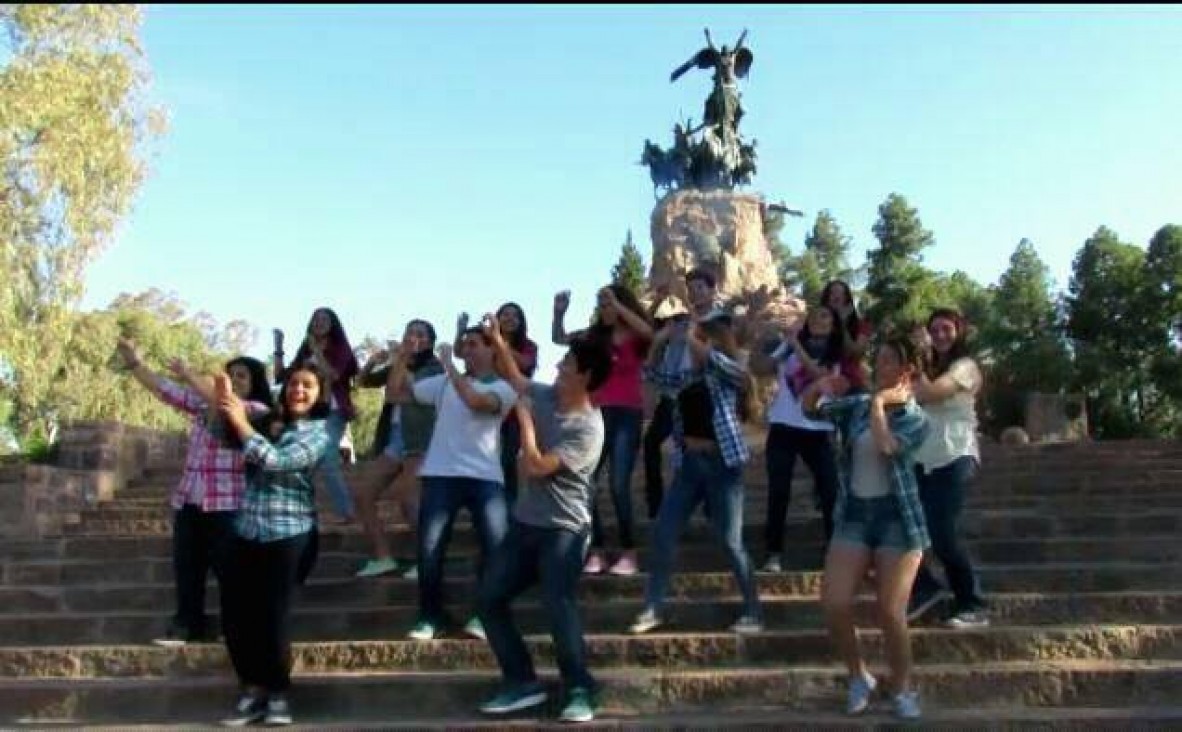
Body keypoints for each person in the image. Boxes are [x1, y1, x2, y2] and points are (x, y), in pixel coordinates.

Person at [477, 316, 610, 724]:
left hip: (564, 531)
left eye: (567, 363)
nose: (558, 368)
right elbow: (517, 378)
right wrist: (499, 341)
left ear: (585, 375)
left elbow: (535, 466)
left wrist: (527, 424)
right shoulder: (550, 395)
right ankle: (522, 682)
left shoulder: (587, 429)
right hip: (525, 524)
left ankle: (581, 688)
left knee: (558, 603)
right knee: (488, 599)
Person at [802, 335, 930, 720]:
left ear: (906, 372)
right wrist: (816, 388)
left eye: (890, 361)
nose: (880, 367)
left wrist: (878, 403)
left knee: (891, 612)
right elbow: (811, 412)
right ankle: (859, 677)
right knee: (835, 603)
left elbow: (887, 446)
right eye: (879, 360)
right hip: (855, 515)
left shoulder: (915, 418)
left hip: (898, 520)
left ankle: (903, 688)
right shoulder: (855, 406)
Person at [116, 338, 273, 648]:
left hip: (229, 504)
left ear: (254, 384)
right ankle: (186, 627)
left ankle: (236, 629)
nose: (231, 380)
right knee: (187, 567)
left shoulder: (256, 409)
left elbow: (229, 405)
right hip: (190, 500)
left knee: (232, 571)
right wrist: (134, 362)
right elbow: (162, 388)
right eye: (230, 374)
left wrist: (189, 374)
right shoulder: (202, 407)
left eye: (241, 375)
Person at [628, 309, 763, 636]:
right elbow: (652, 376)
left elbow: (723, 365)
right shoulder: (685, 379)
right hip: (688, 466)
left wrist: (690, 334)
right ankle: (653, 607)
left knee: (731, 542)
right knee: (662, 533)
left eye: (699, 341)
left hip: (722, 466)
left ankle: (753, 610)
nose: (690, 347)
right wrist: (659, 341)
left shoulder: (727, 373)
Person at [218, 363, 333, 727]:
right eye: (294, 384)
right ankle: (252, 690)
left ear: (319, 394)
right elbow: (221, 434)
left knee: (273, 617)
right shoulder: (267, 421)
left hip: (289, 533)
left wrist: (241, 423)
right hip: (246, 528)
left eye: (308, 386)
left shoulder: (319, 434)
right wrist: (222, 400)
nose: (299, 390)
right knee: (237, 616)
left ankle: (278, 692)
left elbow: (278, 462)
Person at [404, 328, 518, 641]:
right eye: (463, 345)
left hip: (485, 477)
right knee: (429, 547)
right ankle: (430, 615)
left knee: (496, 546)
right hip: (441, 473)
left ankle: (485, 615)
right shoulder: (443, 383)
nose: (466, 350)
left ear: (491, 350)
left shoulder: (504, 388)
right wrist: (402, 357)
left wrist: (448, 365)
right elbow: (399, 393)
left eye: (474, 344)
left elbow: (477, 403)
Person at [553, 285, 653, 576]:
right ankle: (595, 549)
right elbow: (559, 338)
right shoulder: (595, 338)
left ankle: (629, 552)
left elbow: (649, 332)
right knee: (587, 482)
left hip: (627, 415)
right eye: (600, 303)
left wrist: (620, 308)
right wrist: (558, 313)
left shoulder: (636, 336)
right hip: (595, 415)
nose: (603, 308)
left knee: (619, 484)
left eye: (607, 302)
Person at [907, 308, 989, 629]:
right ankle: (928, 588)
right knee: (906, 529)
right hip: (921, 458)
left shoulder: (966, 367)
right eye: (935, 330)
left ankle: (973, 602)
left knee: (943, 533)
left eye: (946, 329)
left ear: (959, 332)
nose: (940, 335)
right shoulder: (926, 368)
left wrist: (918, 356)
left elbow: (930, 393)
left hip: (955, 455)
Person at [750, 305, 845, 572]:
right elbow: (761, 369)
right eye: (814, 315)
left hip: (817, 428)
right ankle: (773, 553)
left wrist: (795, 345)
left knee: (830, 489)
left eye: (826, 314)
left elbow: (820, 375)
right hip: (783, 425)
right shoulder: (790, 345)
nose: (818, 318)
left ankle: (835, 549)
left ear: (834, 324)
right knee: (779, 490)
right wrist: (761, 337)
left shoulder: (834, 352)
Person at [354, 319, 443, 579]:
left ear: (429, 341)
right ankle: (383, 557)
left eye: (420, 334)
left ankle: (426, 561)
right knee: (363, 495)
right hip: (395, 438)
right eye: (409, 332)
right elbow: (364, 382)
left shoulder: (435, 367)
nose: (412, 338)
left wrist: (401, 359)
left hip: (421, 439)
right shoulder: (399, 363)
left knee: (409, 500)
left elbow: (401, 392)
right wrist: (373, 361)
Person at [643, 269, 722, 521]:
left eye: (700, 287)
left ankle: (712, 509)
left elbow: (716, 358)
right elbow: (649, 334)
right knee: (652, 443)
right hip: (674, 395)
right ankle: (657, 508)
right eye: (691, 288)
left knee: (705, 452)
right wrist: (660, 338)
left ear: (712, 290)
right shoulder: (680, 322)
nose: (695, 292)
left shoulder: (721, 321)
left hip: (704, 396)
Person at [273, 307, 359, 523]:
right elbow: (281, 377)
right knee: (302, 457)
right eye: (316, 319)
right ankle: (294, 505)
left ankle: (347, 512)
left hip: (333, 409)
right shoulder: (305, 350)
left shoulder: (340, 348)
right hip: (308, 411)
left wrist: (317, 352)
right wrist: (279, 347)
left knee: (328, 457)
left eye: (324, 319)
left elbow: (334, 374)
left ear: (333, 324)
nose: (319, 322)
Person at [495, 302, 539, 506]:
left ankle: (512, 509)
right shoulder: (487, 344)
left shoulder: (529, 346)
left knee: (509, 462)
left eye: (515, 315)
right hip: (489, 410)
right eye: (505, 314)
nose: (509, 319)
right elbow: (462, 352)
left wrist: (500, 343)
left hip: (516, 413)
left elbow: (525, 364)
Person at [820, 280, 874, 394]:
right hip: (822, 386)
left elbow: (856, 353)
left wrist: (842, 325)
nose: (836, 296)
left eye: (841, 294)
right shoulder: (816, 326)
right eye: (832, 293)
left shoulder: (861, 325)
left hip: (852, 385)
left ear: (847, 300)